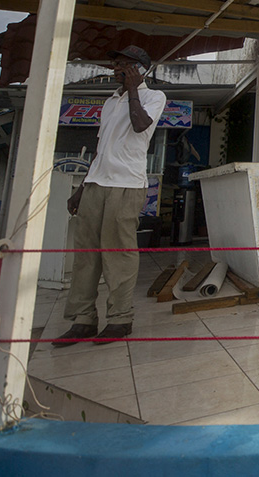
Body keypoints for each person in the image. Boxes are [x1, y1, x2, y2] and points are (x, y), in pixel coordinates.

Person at [54, 45, 166, 346]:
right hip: (96, 185)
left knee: (118, 254)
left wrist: (133, 90)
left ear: (141, 69)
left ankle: (120, 319)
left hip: (126, 185)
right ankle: (83, 320)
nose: (116, 68)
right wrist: (82, 188)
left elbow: (141, 125)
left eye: (124, 65)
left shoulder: (154, 97)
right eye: (116, 63)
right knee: (86, 254)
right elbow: (101, 148)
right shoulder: (109, 102)